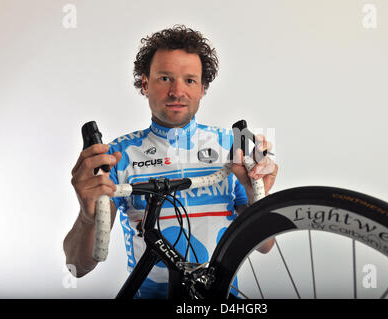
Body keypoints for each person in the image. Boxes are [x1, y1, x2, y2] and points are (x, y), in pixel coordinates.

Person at [63, 25, 278, 298]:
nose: (177, 91)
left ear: (203, 89)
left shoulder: (230, 147)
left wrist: (257, 190)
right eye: (165, 78)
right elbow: (77, 268)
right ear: (145, 84)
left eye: (189, 80)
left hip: (217, 300)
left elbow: (265, 245)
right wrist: (86, 213)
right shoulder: (116, 155)